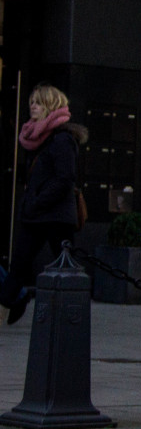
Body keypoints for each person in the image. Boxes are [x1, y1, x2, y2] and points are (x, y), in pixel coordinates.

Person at [0, 84, 88, 325]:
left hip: (56, 216)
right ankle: (13, 300)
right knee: (18, 265)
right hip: (36, 215)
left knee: (67, 268)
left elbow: (64, 179)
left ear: (50, 106)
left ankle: (73, 314)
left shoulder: (61, 139)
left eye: (38, 103)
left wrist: (37, 201)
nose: (32, 107)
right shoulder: (40, 137)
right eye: (31, 102)